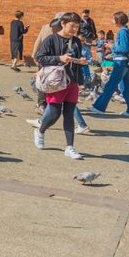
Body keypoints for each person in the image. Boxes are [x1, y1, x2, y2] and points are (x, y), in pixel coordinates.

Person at [34, 12, 89, 159]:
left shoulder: (76, 41)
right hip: (56, 82)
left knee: (69, 114)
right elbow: (40, 58)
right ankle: (40, 131)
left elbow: (73, 59)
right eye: (72, 26)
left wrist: (80, 61)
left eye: (77, 27)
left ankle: (69, 147)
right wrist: (59, 58)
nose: (74, 30)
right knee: (54, 113)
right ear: (63, 24)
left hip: (72, 81)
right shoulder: (51, 40)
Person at [88, 11, 129, 117]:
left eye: (113, 19)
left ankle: (99, 107)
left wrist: (112, 46)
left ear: (118, 20)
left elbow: (124, 48)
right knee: (125, 87)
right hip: (122, 61)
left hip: (120, 62)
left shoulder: (122, 32)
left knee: (111, 85)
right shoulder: (124, 31)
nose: (112, 21)